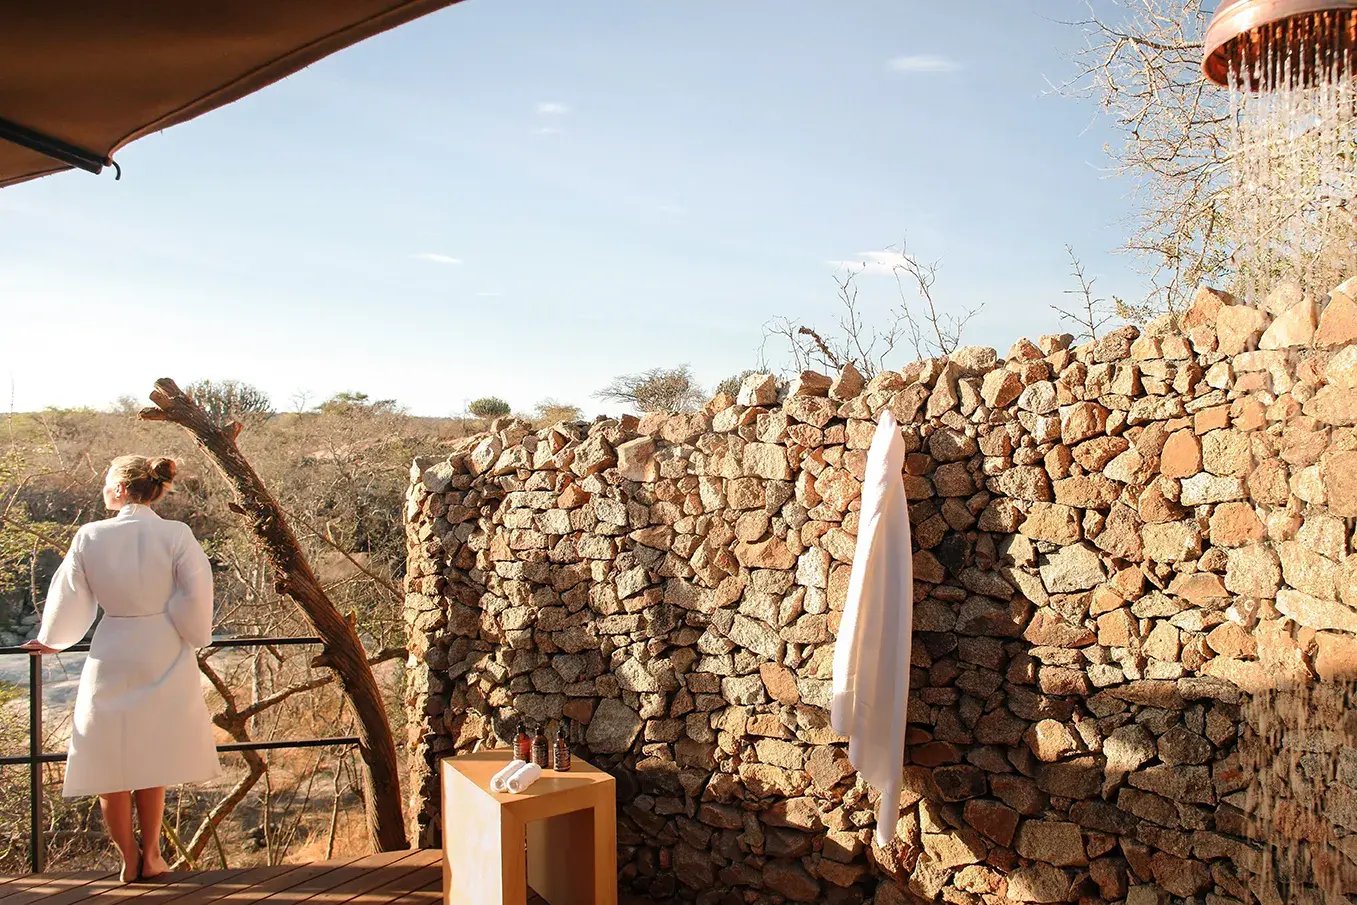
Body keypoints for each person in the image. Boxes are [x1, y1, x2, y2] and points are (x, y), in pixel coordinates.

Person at [23, 455, 220, 882]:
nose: (104, 489)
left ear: (122, 488)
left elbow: (70, 593)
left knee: (108, 759)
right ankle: (152, 856)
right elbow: (197, 590)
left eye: (107, 482)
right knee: (152, 758)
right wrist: (191, 630)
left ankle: (128, 859)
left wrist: (53, 639)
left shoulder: (91, 536)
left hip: (112, 649)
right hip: (164, 646)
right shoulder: (176, 534)